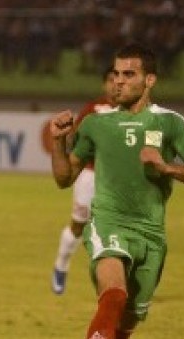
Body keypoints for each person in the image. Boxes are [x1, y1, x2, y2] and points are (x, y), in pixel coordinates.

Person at [48, 43, 184, 339]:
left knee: (125, 325)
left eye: (129, 74)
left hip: (151, 235)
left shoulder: (170, 123)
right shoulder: (96, 123)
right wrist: (57, 141)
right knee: (114, 295)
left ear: (149, 80)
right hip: (109, 222)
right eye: (116, 74)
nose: (119, 81)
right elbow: (64, 178)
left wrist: (167, 168)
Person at [51, 67, 117, 295]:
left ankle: (110, 283)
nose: (114, 84)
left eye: (118, 79)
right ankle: (61, 265)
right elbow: (75, 145)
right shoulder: (93, 110)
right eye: (110, 79)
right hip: (88, 175)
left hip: (117, 178)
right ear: (104, 84)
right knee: (78, 225)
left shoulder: (133, 112)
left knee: (114, 232)